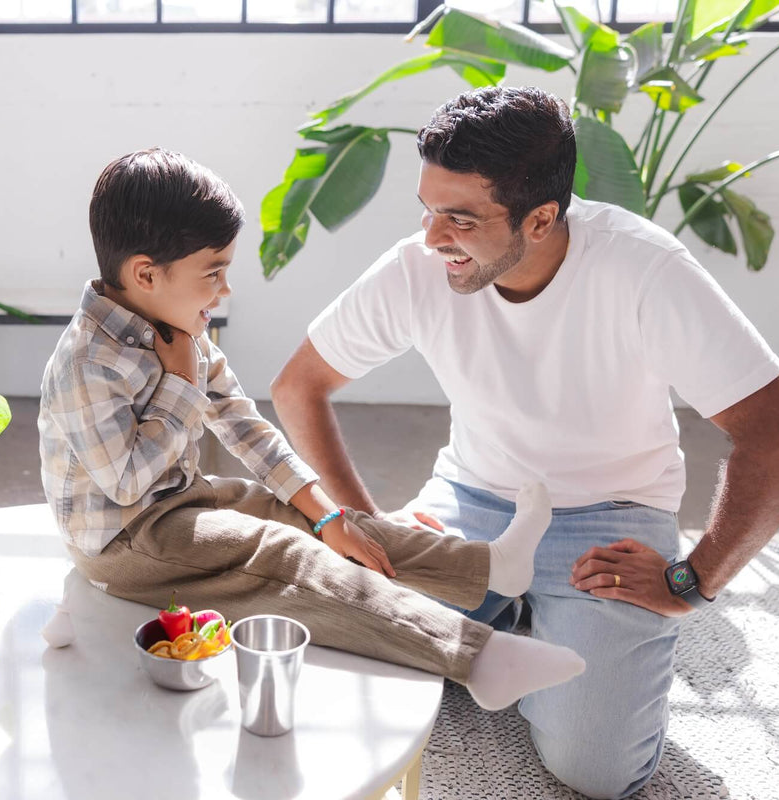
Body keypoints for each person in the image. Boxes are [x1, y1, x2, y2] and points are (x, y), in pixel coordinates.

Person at [270, 87, 779, 799]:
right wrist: (358, 524)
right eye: (429, 209)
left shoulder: (643, 269)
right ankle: (519, 614)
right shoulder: (422, 265)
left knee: (595, 772)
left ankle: (531, 619)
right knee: (328, 650)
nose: (434, 236)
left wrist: (693, 580)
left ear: (540, 218)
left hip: (609, 519)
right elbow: (298, 387)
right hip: (471, 502)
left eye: (460, 219)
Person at [37, 147, 587, 712]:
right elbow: (127, 483)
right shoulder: (89, 363)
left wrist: (327, 515)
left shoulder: (180, 327)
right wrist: (179, 384)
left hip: (179, 500)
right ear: (147, 274)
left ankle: (491, 568)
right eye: (214, 272)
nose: (225, 290)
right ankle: (478, 657)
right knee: (277, 552)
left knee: (314, 519)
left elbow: (244, 426)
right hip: (121, 540)